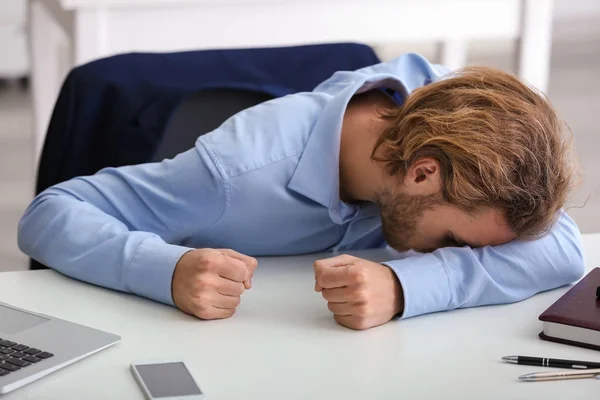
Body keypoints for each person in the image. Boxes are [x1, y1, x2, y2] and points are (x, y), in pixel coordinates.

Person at [18, 53, 584, 330]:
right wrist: (165, 270)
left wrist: (404, 285)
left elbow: (562, 250)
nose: (456, 254)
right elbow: (49, 213)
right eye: (453, 241)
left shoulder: (459, 113)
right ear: (421, 174)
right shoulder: (232, 172)